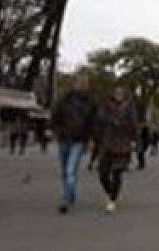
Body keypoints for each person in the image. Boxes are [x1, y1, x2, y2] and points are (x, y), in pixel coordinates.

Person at [50, 74, 98, 214]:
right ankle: (70, 193)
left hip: (79, 139)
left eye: (86, 83)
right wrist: (56, 130)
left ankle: (65, 198)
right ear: (74, 84)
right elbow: (55, 116)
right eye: (80, 83)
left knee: (71, 168)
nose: (83, 86)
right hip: (64, 138)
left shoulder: (91, 102)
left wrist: (91, 139)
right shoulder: (64, 99)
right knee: (65, 169)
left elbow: (94, 123)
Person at [95, 85, 138, 214]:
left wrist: (136, 141)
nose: (118, 95)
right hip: (107, 143)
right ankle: (110, 192)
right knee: (102, 173)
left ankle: (112, 200)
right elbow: (99, 123)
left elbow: (134, 125)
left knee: (117, 172)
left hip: (122, 143)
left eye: (121, 93)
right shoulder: (106, 107)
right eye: (116, 93)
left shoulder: (129, 108)